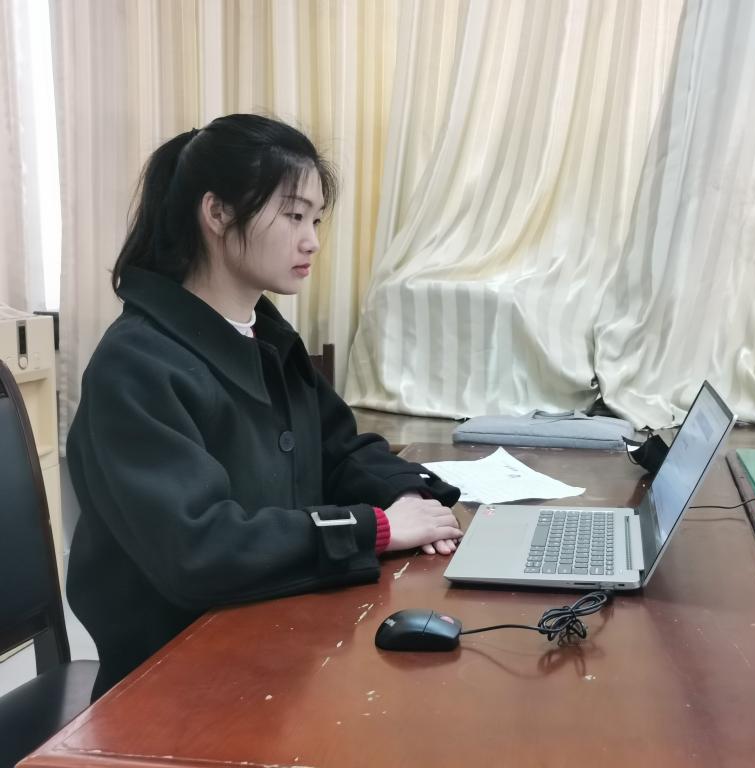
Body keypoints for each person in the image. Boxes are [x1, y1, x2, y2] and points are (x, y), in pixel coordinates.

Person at [66, 114, 463, 699]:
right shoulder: (136, 365)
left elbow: (340, 449)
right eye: (294, 215)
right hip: (174, 683)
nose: (312, 240)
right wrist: (376, 529)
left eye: (316, 219)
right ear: (218, 212)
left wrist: (405, 496)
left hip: (282, 645)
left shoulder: (266, 336)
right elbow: (199, 549)